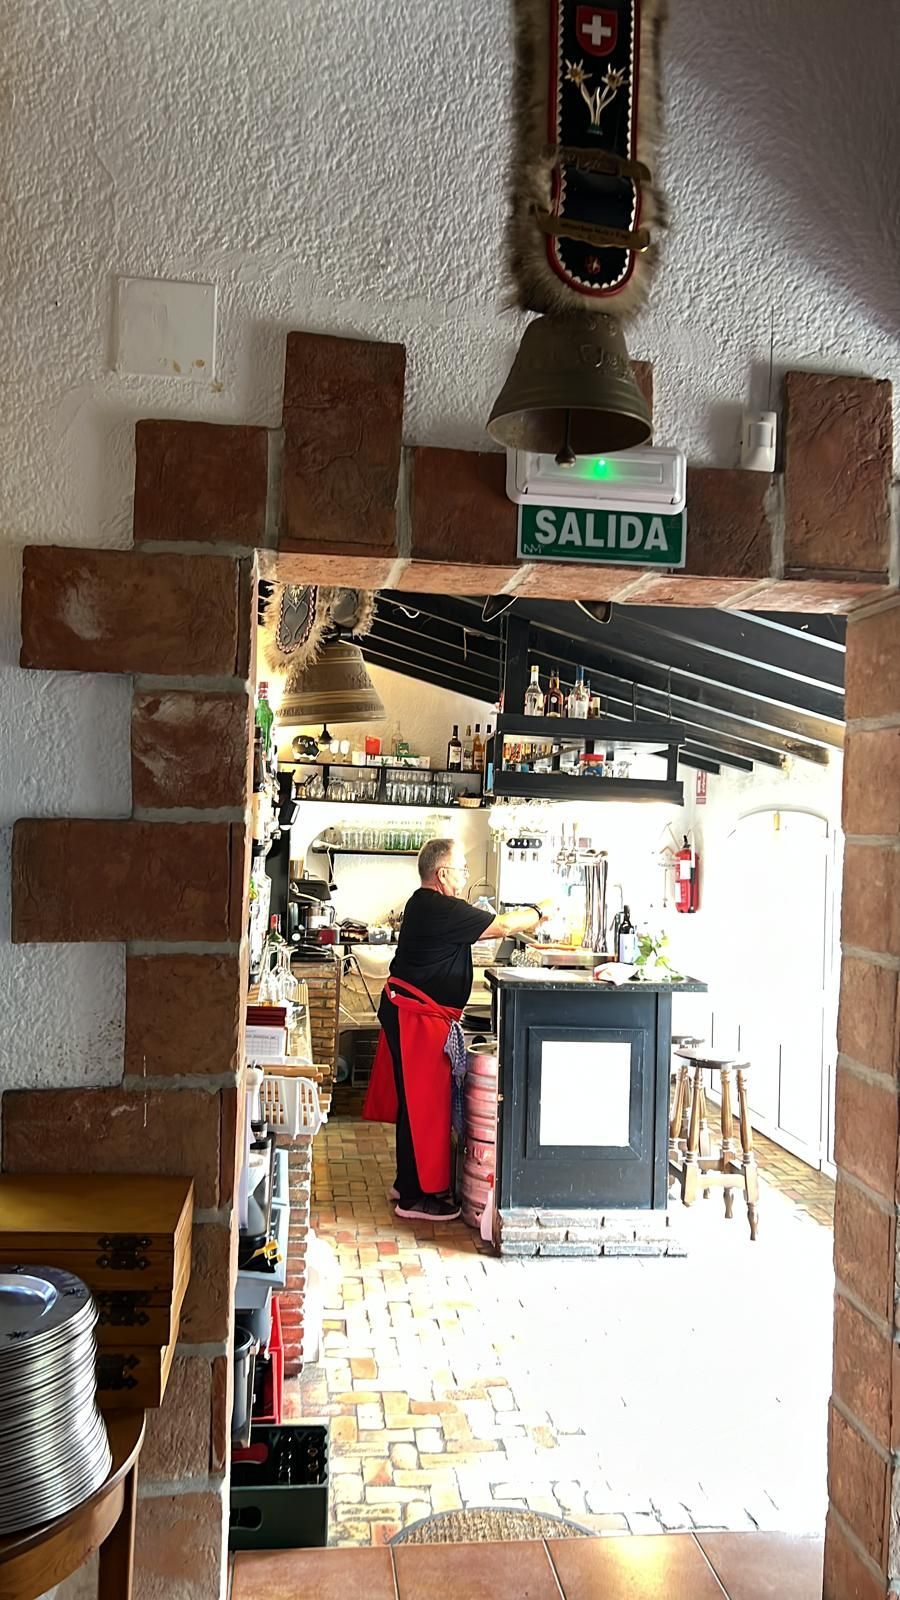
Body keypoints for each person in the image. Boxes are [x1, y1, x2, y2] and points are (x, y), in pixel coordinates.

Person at [363, 837, 550, 1221]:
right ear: (443, 873)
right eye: (462, 869)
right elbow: (502, 925)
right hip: (418, 1017)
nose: (465, 876)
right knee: (426, 1108)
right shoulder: (438, 906)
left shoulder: (426, 904)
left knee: (414, 1106)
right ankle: (417, 1198)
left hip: (413, 1012)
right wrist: (540, 910)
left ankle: (407, 1183)